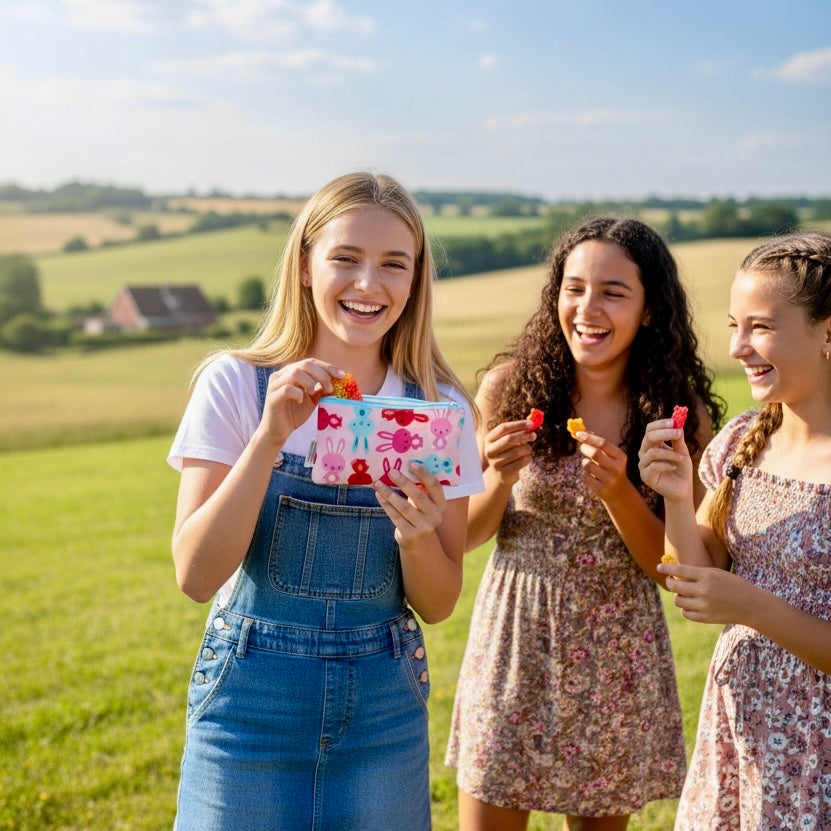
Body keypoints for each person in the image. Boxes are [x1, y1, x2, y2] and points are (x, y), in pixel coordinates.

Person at [167, 171, 484, 831]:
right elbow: (196, 575)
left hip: (383, 708)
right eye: (345, 258)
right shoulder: (238, 384)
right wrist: (268, 438)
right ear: (306, 266)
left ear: (414, 280)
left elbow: (437, 602)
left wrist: (417, 534)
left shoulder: (439, 409)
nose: (368, 283)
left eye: (393, 265)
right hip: (249, 703)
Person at [445, 216, 726, 831]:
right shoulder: (508, 388)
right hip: (515, 641)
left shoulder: (678, 415)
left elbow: (671, 569)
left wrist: (622, 494)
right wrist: (499, 477)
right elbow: (463, 535)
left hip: (616, 652)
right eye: (574, 288)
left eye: (613, 292)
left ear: (650, 310)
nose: (587, 307)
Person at [638, 231, 831, 829]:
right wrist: (674, 494)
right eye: (733, 326)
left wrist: (753, 606)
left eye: (761, 327)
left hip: (816, 752)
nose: (738, 347)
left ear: (829, 332)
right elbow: (692, 576)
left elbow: (740, 601)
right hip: (739, 733)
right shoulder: (740, 442)